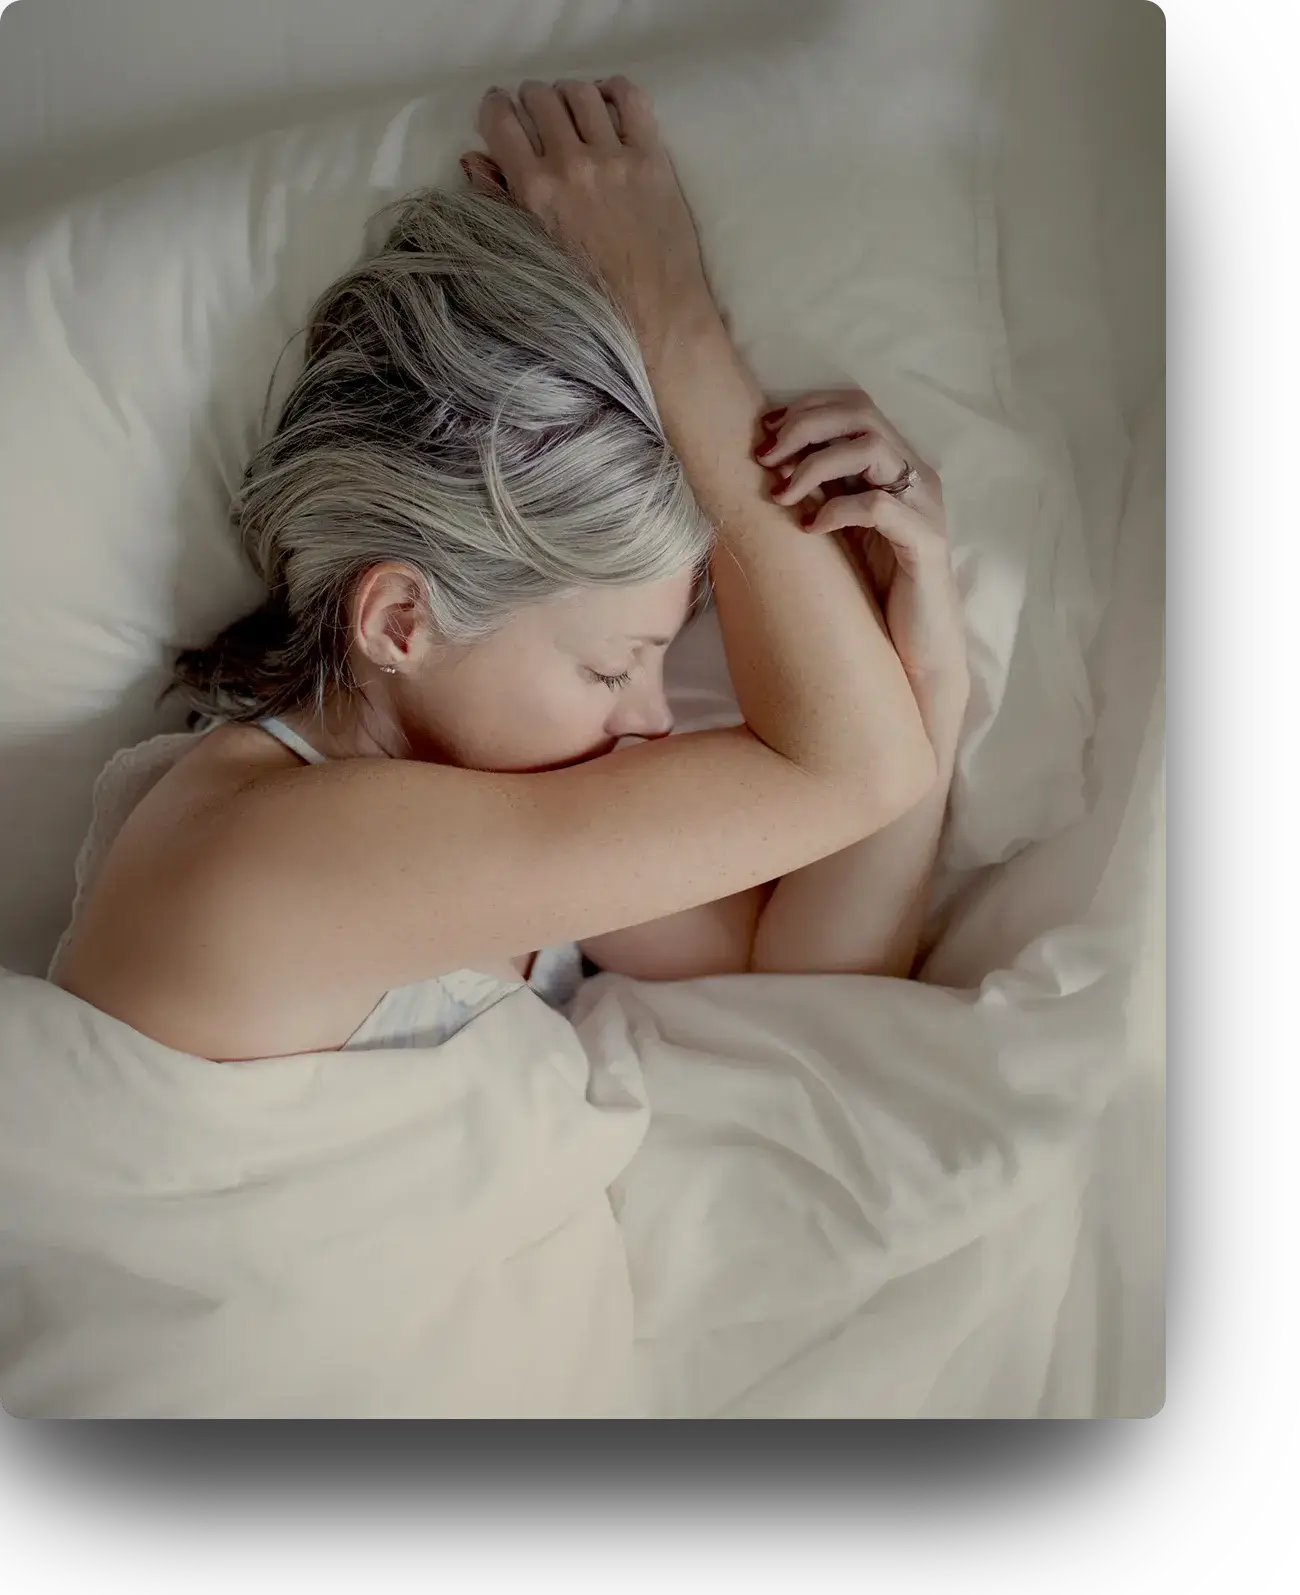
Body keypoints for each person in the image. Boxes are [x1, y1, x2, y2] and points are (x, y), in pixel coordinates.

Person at [51, 78, 970, 1063]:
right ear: (401, 620)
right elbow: (855, 772)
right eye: (611, 667)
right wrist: (666, 305)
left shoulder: (473, 795)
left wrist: (928, 674)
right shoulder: (264, 859)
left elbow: (801, 984)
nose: (655, 719)